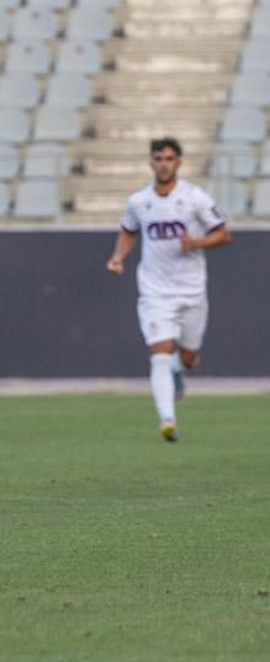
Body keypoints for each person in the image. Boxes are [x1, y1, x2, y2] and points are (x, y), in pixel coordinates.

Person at [106, 138, 231, 441]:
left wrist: (196, 243)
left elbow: (224, 234)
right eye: (159, 158)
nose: (164, 163)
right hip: (155, 290)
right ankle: (167, 419)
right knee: (159, 351)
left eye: (169, 158)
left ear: (179, 163)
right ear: (151, 163)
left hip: (191, 291)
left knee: (189, 357)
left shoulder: (194, 198)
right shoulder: (138, 201)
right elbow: (128, 231)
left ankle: (180, 368)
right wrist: (118, 257)